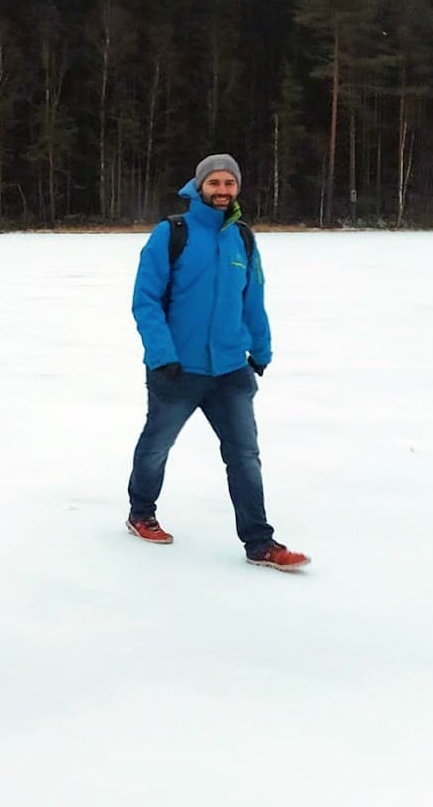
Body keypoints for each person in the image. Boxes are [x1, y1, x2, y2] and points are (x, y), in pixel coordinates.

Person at [124, 153, 309, 571]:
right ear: (200, 186)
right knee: (157, 446)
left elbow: (253, 299)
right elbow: (146, 301)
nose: (222, 191)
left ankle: (260, 543)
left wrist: (260, 351)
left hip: (230, 371)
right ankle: (141, 513)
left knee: (244, 455)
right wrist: (162, 354)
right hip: (178, 369)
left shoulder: (242, 238)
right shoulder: (171, 233)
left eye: (229, 184)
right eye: (215, 183)